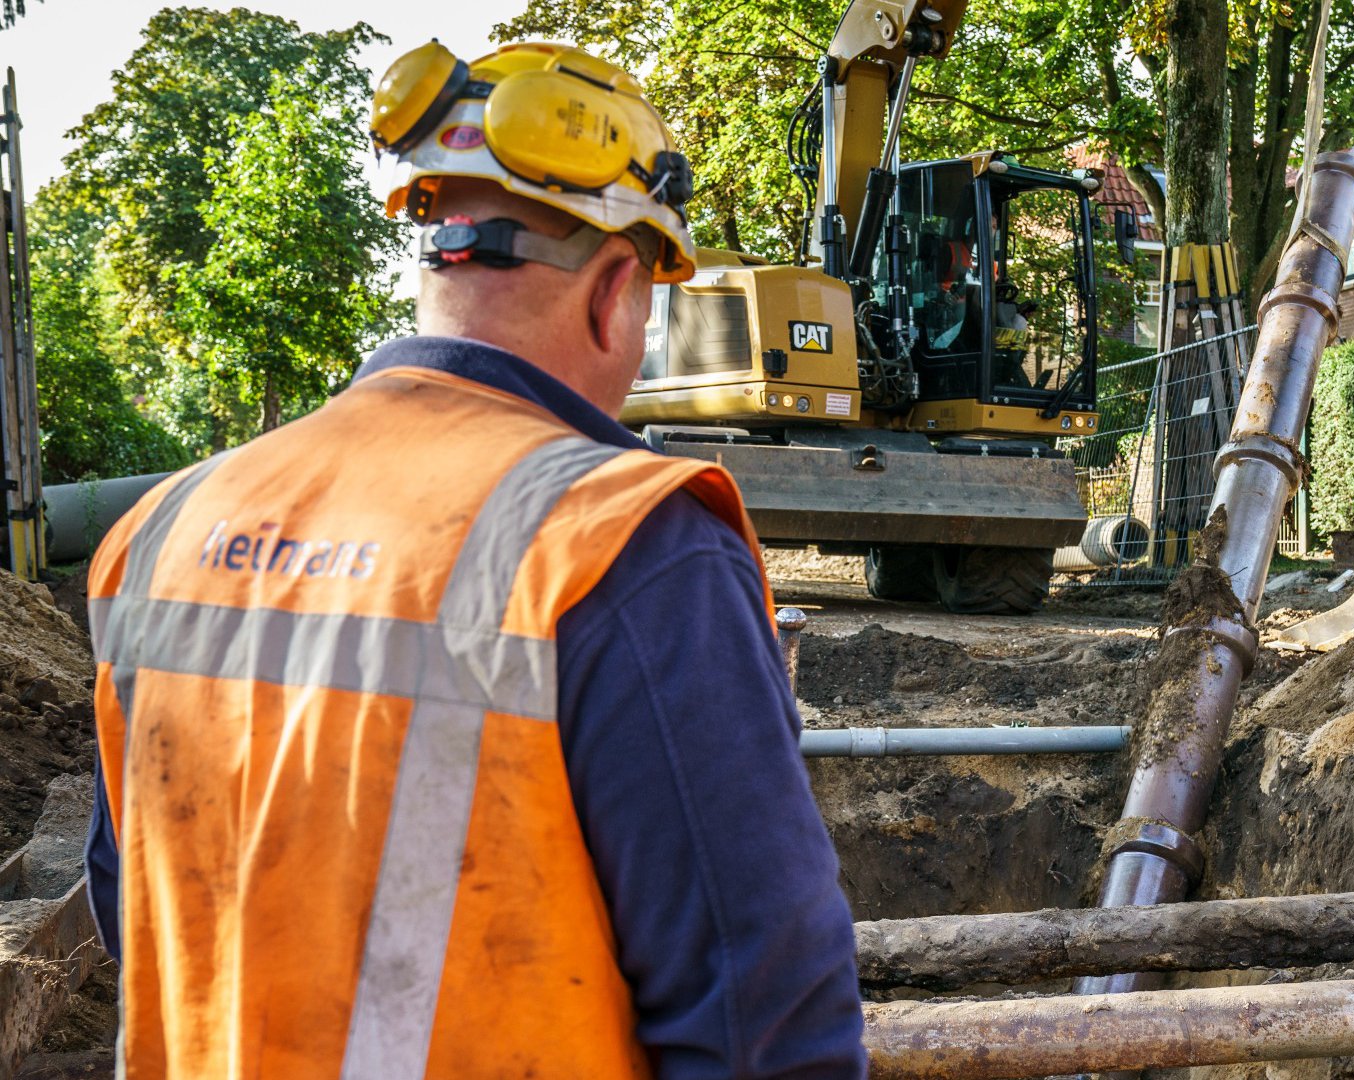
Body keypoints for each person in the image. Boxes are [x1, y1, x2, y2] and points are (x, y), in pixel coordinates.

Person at [83, 41, 866, 1079]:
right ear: (616, 287)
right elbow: (762, 1016)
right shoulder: (623, 542)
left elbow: (130, 903)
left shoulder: (162, 528)